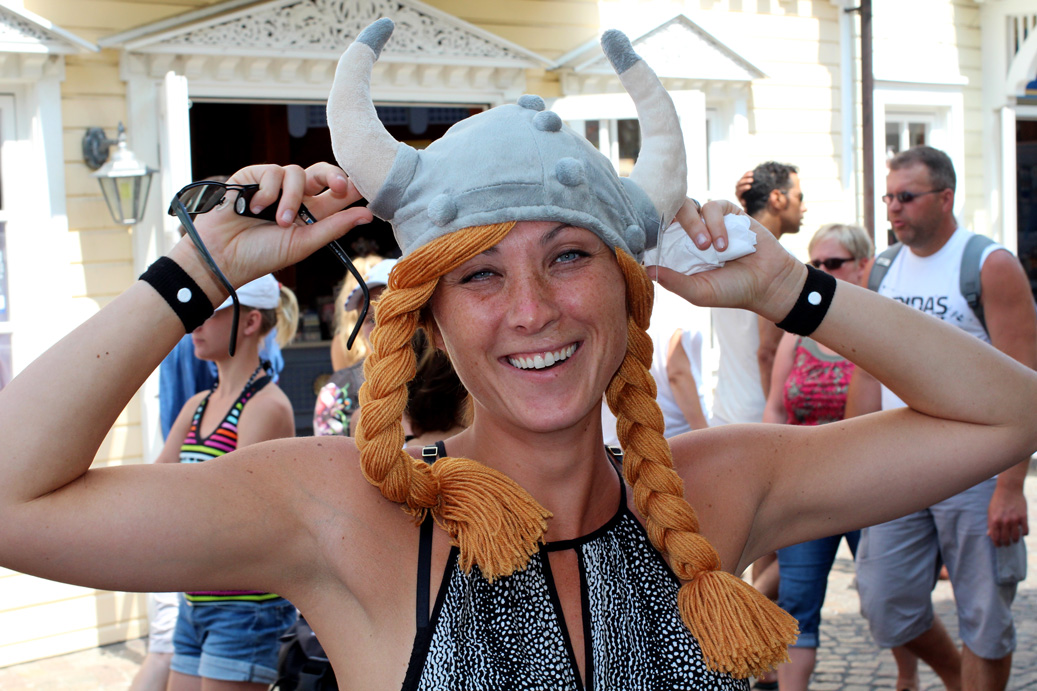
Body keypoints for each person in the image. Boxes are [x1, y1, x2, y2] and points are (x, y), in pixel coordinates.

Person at [1, 21, 1036, 690]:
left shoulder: (714, 488)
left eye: (569, 257)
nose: (533, 310)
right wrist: (196, 270)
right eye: (481, 275)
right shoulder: (346, 512)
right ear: (433, 316)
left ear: (625, 290)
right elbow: (14, 501)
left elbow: (1004, 414)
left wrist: (785, 289)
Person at [846, 145, 1036, 691]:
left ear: (945, 197)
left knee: (985, 618)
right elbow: (869, 372)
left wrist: (1010, 487)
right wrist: (849, 460)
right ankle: (955, 677)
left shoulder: (989, 265)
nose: (893, 208)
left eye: (906, 197)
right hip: (899, 465)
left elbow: (1026, 385)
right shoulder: (883, 269)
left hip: (977, 469)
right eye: (889, 197)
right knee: (884, 601)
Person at [161, 274, 301, 690]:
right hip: (198, 598)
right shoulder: (198, 404)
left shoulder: (266, 406)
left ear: (250, 322)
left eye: (209, 312)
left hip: (245, 607)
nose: (194, 323)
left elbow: (232, 510)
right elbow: (158, 488)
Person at [761, 223, 872, 691]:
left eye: (834, 263)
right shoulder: (798, 333)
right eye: (816, 263)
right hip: (805, 488)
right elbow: (775, 408)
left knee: (886, 597)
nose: (823, 271)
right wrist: (770, 472)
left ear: (863, 266)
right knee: (797, 602)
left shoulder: (878, 331)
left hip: (871, 486)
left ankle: (908, 675)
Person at [313, 255, 392, 437]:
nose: (381, 328)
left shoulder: (449, 381)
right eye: (371, 319)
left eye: (392, 313)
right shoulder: (341, 389)